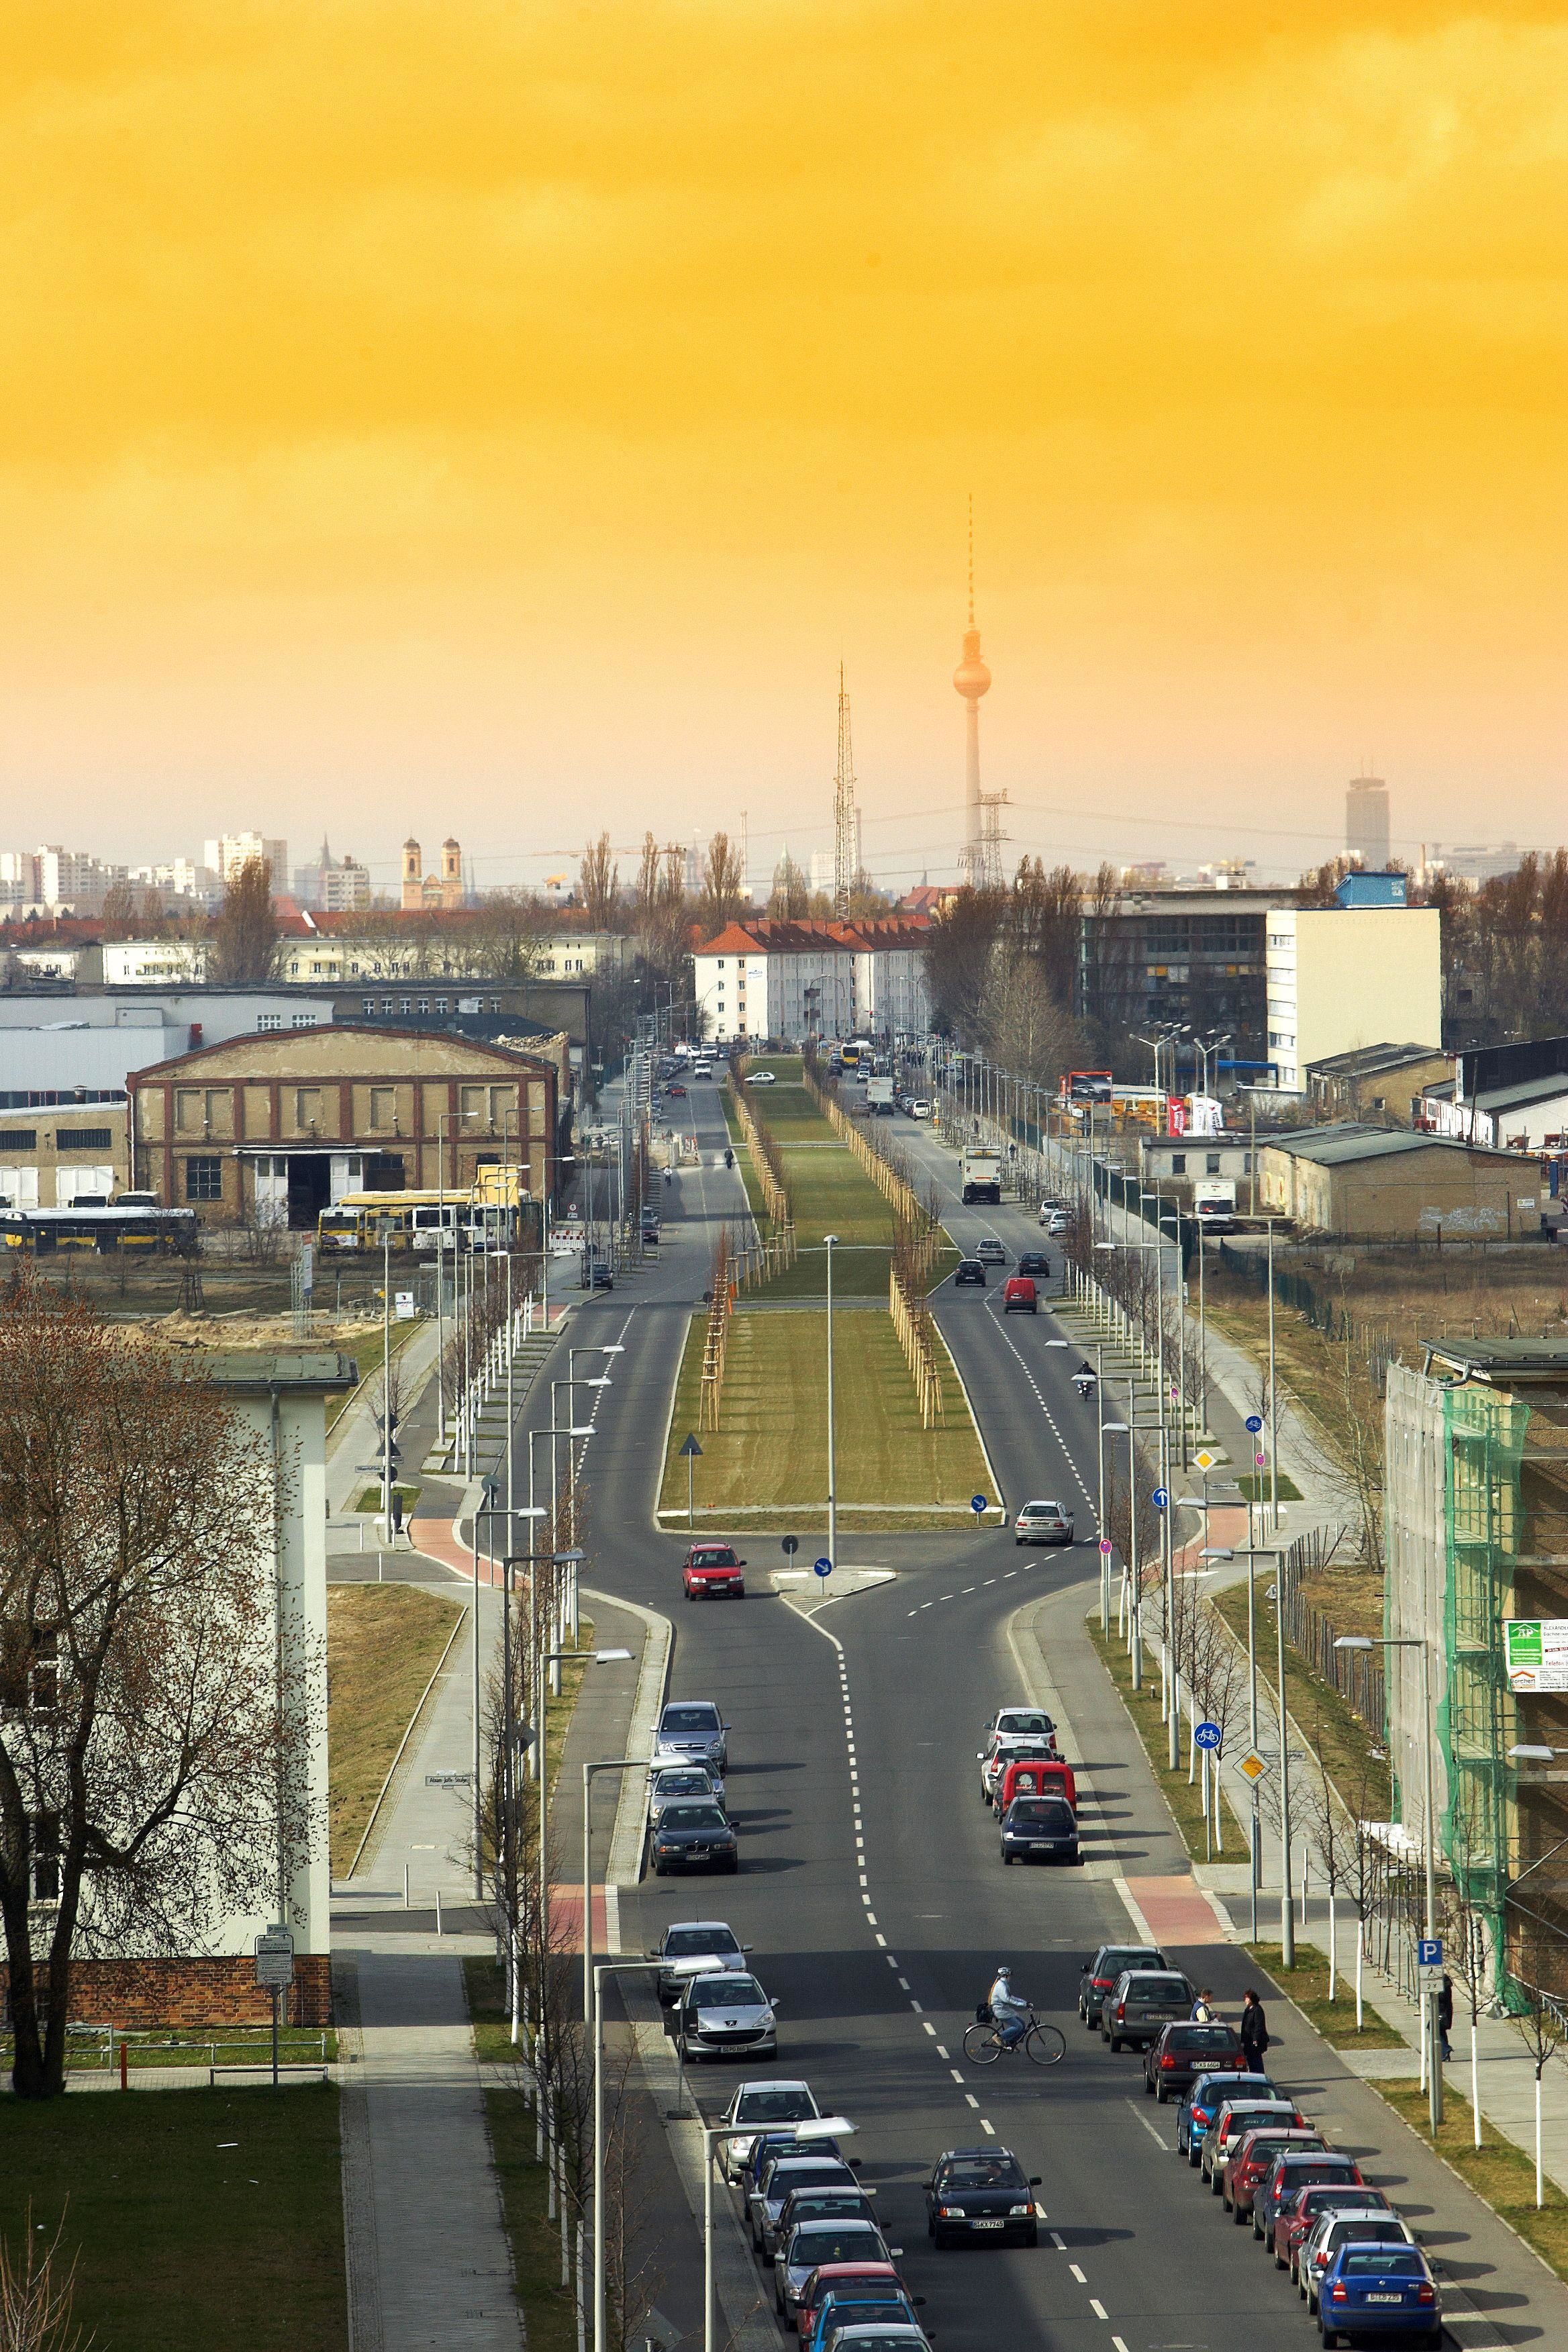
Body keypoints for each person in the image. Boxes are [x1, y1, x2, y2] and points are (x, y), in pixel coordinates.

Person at [987, 1963, 1031, 2049]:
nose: (1010, 1978)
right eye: (1009, 1976)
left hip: (1004, 2009)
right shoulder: (1001, 1985)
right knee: (1018, 2026)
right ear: (1006, 1976)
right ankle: (998, 2037)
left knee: (1022, 2023)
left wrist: (1025, 2003)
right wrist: (1023, 2004)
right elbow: (1007, 1999)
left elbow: (1011, 1997)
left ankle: (1011, 2042)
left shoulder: (1004, 1984)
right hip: (1000, 2010)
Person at [1238, 1987, 1269, 2069]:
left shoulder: (1257, 2010)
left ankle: (1259, 2074)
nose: (1245, 2000)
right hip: (1248, 2041)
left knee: (1256, 2061)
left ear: (1252, 1999)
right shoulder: (1248, 2010)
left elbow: (1259, 2027)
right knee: (1250, 2061)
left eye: (1247, 1998)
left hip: (1254, 2042)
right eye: (1245, 1998)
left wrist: (1255, 2040)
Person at [1438, 1973, 1454, 2063]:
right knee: (1441, 2031)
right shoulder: (1447, 1987)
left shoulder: (1444, 1988)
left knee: (1433, 2027)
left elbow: (1442, 1998)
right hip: (1444, 2013)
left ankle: (1446, 2049)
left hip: (1442, 2013)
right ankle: (1445, 2053)